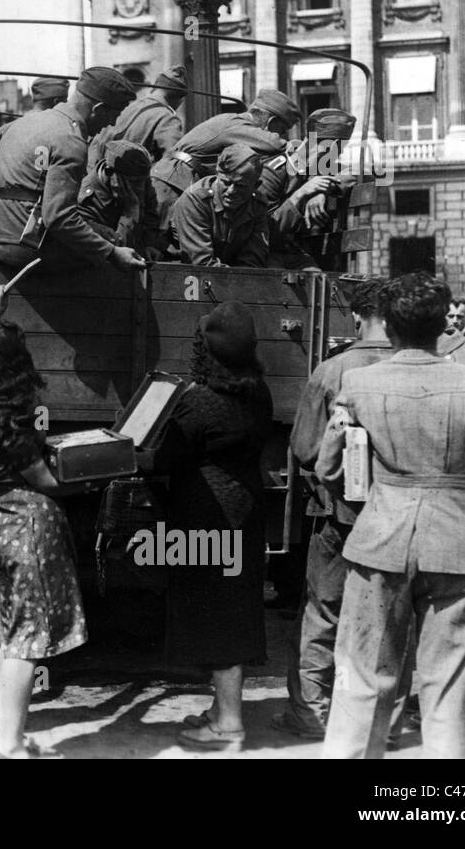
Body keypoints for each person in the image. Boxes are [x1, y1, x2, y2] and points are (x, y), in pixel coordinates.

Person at [318, 273, 465, 759]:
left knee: (363, 676)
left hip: (379, 538)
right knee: (447, 684)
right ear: (442, 327)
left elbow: (332, 466)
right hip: (458, 540)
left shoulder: (359, 383)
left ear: (388, 327)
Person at [0, 284, 87, 758]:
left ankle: (9, 738)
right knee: (28, 643)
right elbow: (46, 481)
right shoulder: (12, 421)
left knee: (11, 636)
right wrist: (88, 477)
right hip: (31, 528)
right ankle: (8, 743)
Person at [272, 278, 393, 740]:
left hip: (340, 515)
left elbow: (304, 447)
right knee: (389, 619)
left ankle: (311, 713)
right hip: (400, 518)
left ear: (358, 318)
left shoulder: (333, 370)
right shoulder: (422, 366)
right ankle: (380, 721)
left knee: (323, 613)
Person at [154, 301, 273, 751]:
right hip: (245, 514)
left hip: (206, 521)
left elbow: (165, 459)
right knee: (235, 612)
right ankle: (222, 710)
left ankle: (229, 727)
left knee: (217, 621)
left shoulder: (199, 403)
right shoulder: (258, 392)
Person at [0, 66, 148, 274]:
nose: (111, 123)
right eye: (114, 114)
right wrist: (111, 252)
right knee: (109, 248)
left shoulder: (22, 123)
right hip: (21, 248)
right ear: (98, 109)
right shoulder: (70, 139)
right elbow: (59, 219)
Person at [151, 88, 298, 232]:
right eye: (282, 130)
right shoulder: (237, 125)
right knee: (162, 237)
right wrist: (301, 148)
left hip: (175, 177)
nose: (283, 135)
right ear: (271, 122)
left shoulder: (233, 121)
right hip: (173, 182)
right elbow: (273, 144)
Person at [259, 108, 357, 268]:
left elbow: (354, 174)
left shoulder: (319, 170)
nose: (335, 158)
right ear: (312, 143)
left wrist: (322, 188)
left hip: (294, 254)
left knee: (319, 284)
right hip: (265, 255)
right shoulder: (274, 171)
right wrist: (301, 194)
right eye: (332, 151)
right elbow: (266, 232)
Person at [167, 144, 270, 268]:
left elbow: (253, 260)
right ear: (217, 176)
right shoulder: (195, 201)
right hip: (183, 274)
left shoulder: (257, 205)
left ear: (256, 186)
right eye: (226, 183)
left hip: (229, 276)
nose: (231, 191)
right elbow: (201, 262)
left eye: (240, 185)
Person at [78, 135, 163, 257]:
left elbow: (151, 217)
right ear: (109, 173)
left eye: (143, 181)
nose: (140, 188)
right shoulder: (86, 201)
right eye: (133, 182)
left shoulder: (140, 180)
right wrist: (130, 211)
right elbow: (118, 247)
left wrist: (149, 245)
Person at [106, 65, 186, 162]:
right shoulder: (167, 119)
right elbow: (173, 162)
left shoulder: (128, 107)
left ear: (155, 86)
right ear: (179, 99)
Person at [0, 77, 69, 149]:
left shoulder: (6, 128)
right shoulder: (57, 134)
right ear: (56, 102)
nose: (66, 105)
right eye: (65, 101)